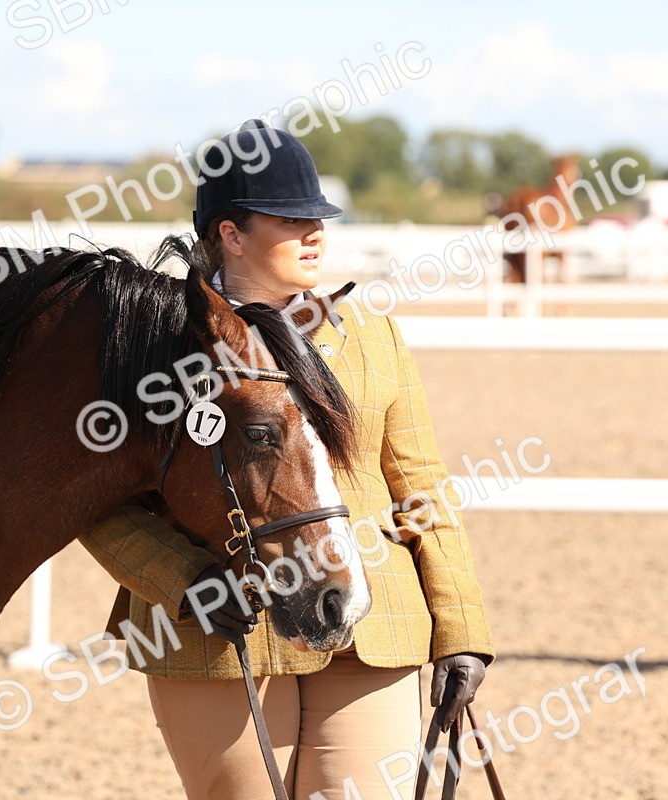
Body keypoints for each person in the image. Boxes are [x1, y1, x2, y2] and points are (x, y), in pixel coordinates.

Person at [80, 119, 494, 800]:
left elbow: (420, 486)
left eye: (319, 218)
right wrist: (187, 579)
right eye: (291, 219)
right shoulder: (157, 345)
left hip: (370, 619)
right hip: (218, 633)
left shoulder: (370, 336)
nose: (315, 233)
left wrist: (462, 630)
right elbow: (102, 503)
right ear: (231, 234)